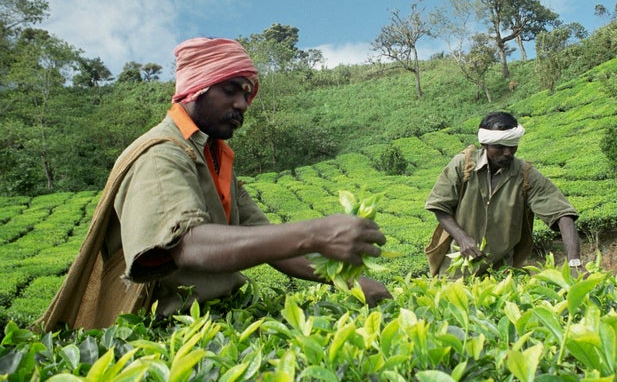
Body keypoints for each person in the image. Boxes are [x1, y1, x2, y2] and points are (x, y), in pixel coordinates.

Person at [38, 37, 391, 330]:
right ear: (196, 89)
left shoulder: (214, 156)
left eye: (247, 94)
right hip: (168, 330)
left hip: (222, 316)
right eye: (231, 90)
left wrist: (349, 282)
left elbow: (272, 244)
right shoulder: (161, 154)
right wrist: (317, 233)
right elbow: (187, 244)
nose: (242, 104)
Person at [425, 111, 583, 277]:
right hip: (456, 272)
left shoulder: (526, 175)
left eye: (512, 146)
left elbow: (562, 214)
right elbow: (439, 206)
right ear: (485, 145)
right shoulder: (463, 165)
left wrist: (574, 262)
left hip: (500, 272)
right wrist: (462, 238)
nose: (507, 152)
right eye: (500, 147)